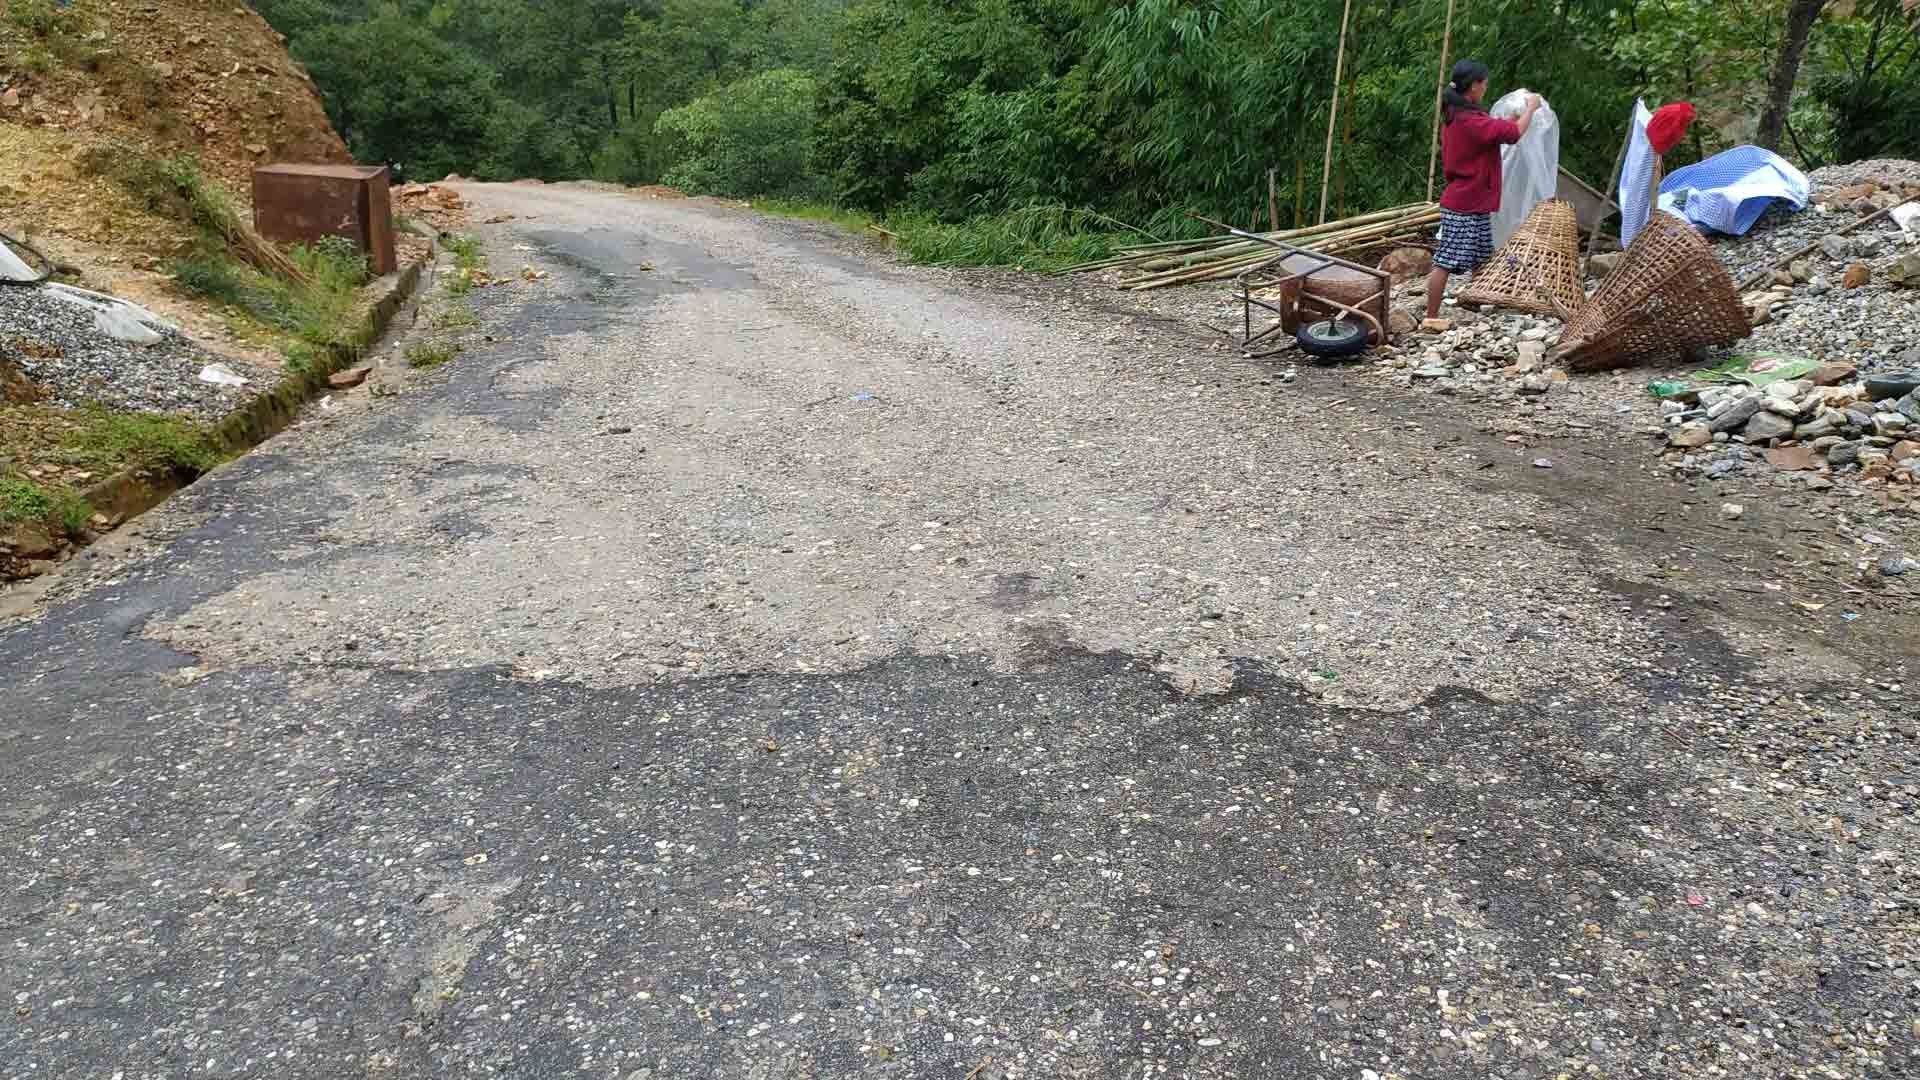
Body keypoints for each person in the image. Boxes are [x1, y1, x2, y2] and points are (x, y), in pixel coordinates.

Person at [1425, 60, 1542, 320]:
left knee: (1480, 255)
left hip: (1471, 199)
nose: (1486, 87)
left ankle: (1478, 300)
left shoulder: (1460, 116)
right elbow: (1512, 134)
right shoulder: (1470, 120)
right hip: (1464, 202)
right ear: (1474, 86)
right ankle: (1431, 317)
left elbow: (1499, 130)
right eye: (1484, 83)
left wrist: (1514, 118)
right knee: (1445, 261)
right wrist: (1531, 109)